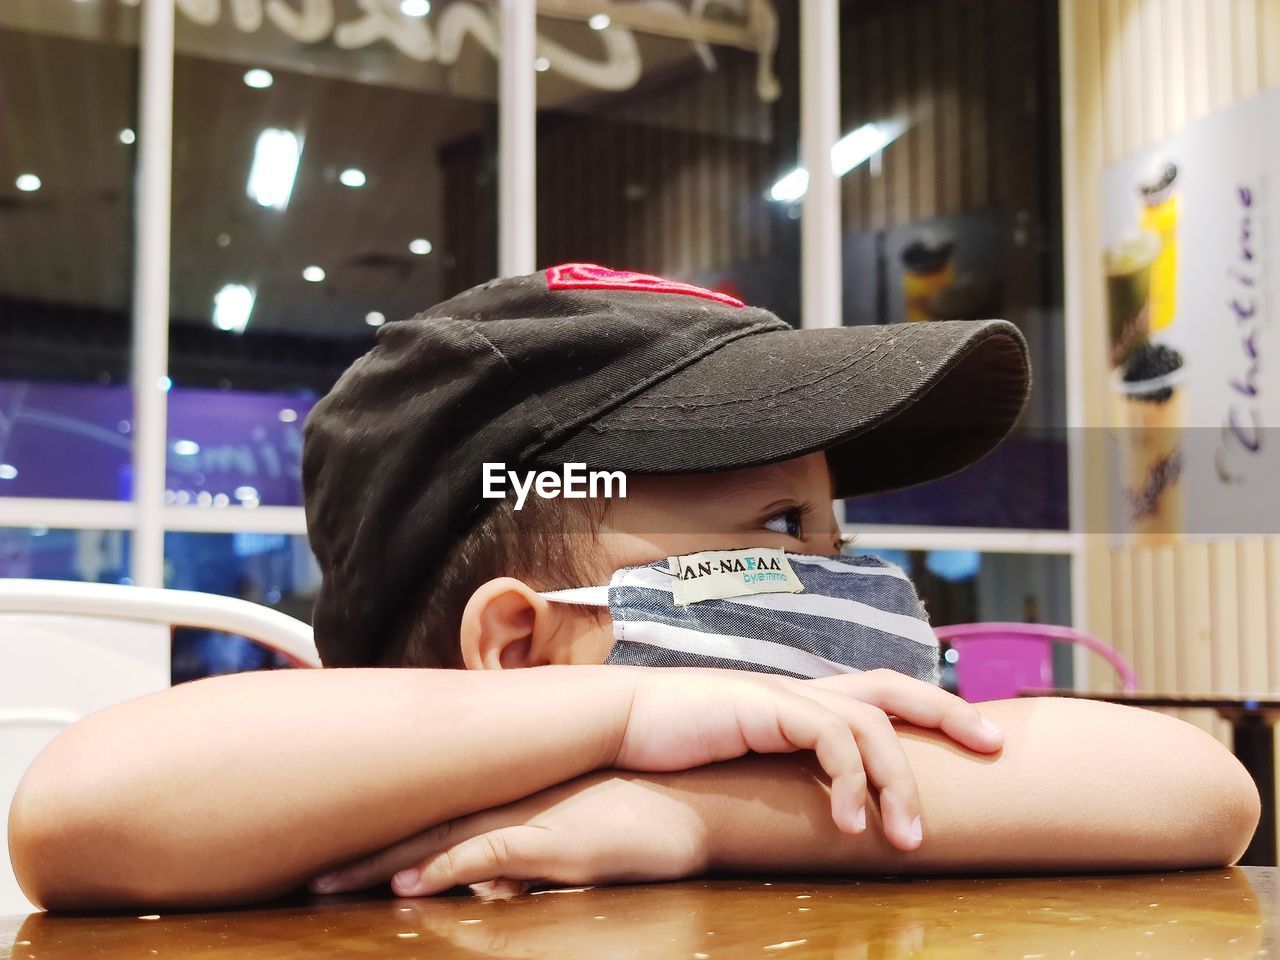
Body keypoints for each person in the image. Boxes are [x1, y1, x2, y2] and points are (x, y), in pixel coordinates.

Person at [8, 265, 1259, 911]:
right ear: (512, 646)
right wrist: (619, 719)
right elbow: (81, 811)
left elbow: (1198, 792)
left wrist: (695, 818)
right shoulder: (326, 793)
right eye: (780, 523)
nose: (852, 577)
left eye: (835, 526)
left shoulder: (805, 779)